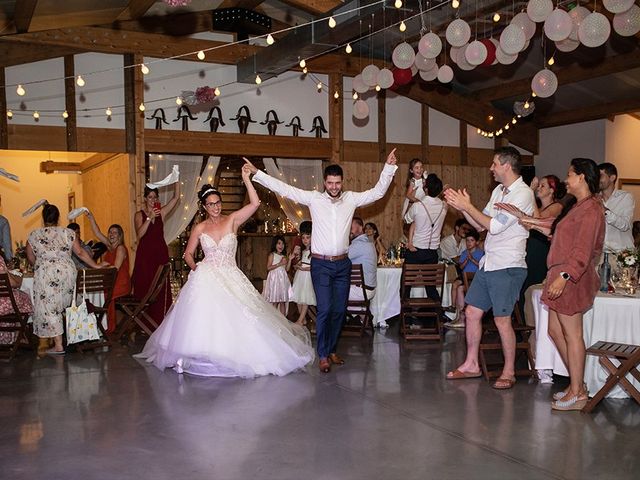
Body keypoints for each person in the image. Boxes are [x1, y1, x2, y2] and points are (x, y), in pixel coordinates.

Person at [136, 170, 314, 378]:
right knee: (205, 318)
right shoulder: (200, 228)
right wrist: (198, 269)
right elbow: (188, 255)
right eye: (211, 204)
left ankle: (240, 354)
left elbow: (255, 204)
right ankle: (202, 354)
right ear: (204, 206)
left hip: (231, 275)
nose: (215, 206)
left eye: (218, 202)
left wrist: (247, 179)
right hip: (207, 277)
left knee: (242, 316)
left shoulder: (232, 220)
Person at [244, 149, 398, 373]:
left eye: (337, 183)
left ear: (342, 182)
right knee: (325, 309)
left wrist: (388, 168)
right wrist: (258, 173)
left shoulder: (351, 199)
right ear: (324, 182)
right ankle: (323, 354)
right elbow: (285, 189)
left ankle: (332, 349)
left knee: (339, 310)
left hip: (343, 264)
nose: (334, 187)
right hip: (321, 265)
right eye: (330, 183)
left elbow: (378, 192)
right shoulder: (314, 199)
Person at [443, 146, 535, 389]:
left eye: (494, 163)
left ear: (506, 165)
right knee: (472, 312)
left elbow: (494, 227)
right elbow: (481, 225)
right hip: (490, 263)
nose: (491, 168)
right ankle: (472, 364)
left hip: (508, 265)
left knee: (502, 319)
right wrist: (464, 207)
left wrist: (467, 206)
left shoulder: (522, 194)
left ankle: (509, 371)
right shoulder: (498, 191)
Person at [521, 158, 605, 411]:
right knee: (555, 332)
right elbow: (564, 237)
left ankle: (579, 392)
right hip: (559, 273)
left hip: (571, 278)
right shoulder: (576, 206)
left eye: (570, 175)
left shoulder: (591, 209)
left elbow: (583, 249)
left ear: (581, 178)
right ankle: (576, 385)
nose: (566, 179)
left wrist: (564, 276)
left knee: (572, 335)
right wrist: (537, 227)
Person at [26, 204, 103, 355]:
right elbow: (80, 252)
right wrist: (96, 266)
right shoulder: (68, 233)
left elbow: (30, 256)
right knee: (66, 303)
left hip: (46, 273)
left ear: (43, 218)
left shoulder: (34, 235)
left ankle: (58, 345)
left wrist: (41, 264)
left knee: (50, 307)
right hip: (67, 273)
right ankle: (75, 337)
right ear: (58, 217)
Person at [132, 182, 179, 327]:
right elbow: (139, 234)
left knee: (160, 290)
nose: (153, 200)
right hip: (145, 259)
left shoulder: (161, 213)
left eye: (155, 197)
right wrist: (149, 217)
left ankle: (161, 323)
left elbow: (176, 198)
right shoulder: (139, 215)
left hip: (160, 256)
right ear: (145, 199)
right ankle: (143, 324)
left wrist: (176, 179)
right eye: (150, 197)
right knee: (145, 290)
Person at [404, 173, 447, 305]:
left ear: (426, 190)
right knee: (431, 287)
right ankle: (437, 317)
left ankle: (405, 316)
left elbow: (406, 219)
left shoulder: (418, 206)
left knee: (405, 286)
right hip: (432, 252)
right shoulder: (444, 206)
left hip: (415, 251)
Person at [86, 213, 132, 334]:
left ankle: (105, 327)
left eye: (114, 232)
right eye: (110, 232)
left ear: (120, 235)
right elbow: (97, 233)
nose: (111, 234)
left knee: (103, 295)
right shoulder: (110, 248)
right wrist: (91, 218)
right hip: (112, 282)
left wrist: (102, 266)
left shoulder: (121, 248)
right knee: (97, 293)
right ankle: (98, 326)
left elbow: (115, 268)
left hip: (121, 284)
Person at [444, 228, 484, 330]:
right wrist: (467, 259)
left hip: (475, 278)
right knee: (456, 286)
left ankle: (462, 317)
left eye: (472, 241)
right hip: (464, 276)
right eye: (467, 241)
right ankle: (456, 312)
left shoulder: (480, 253)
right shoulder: (464, 253)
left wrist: (472, 259)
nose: (469, 243)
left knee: (460, 288)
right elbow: (461, 267)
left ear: (476, 242)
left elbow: (481, 266)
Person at [348, 217, 379, 325]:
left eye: (351, 227)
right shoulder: (367, 242)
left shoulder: (358, 244)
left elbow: (340, 260)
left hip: (362, 290)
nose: (349, 230)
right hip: (368, 288)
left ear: (360, 227)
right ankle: (363, 315)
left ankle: (330, 327)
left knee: (332, 292)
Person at [598, 162, 635, 253]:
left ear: (612, 178)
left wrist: (605, 211)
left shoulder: (626, 197)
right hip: (599, 255)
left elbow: (625, 225)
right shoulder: (594, 199)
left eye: (600, 176)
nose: (597, 180)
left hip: (621, 254)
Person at [0, 256, 33, 345]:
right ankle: (19, 335)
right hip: (2, 304)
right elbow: (12, 283)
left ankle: (14, 337)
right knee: (24, 298)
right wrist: (18, 280)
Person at [263, 234, 294, 315]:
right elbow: (268, 267)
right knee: (275, 301)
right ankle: (275, 321)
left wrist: (289, 260)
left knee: (282, 301)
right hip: (275, 280)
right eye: (279, 243)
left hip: (282, 280)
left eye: (282, 243)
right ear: (275, 244)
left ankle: (283, 321)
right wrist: (279, 263)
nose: (281, 246)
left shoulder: (284, 256)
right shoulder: (272, 255)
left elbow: (286, 269)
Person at [290, 229, 315, 326]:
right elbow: (302, 262)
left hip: (307, 276)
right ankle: (303, 318)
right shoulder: (303, 251)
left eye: (308, 238)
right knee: (297, 297)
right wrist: (297, 266)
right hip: (300, 275)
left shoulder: (314, 251)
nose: (305, 240)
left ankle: (300, 320)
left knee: (305, 298)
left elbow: (314, 267)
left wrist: (305, 269)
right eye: (303, 238)